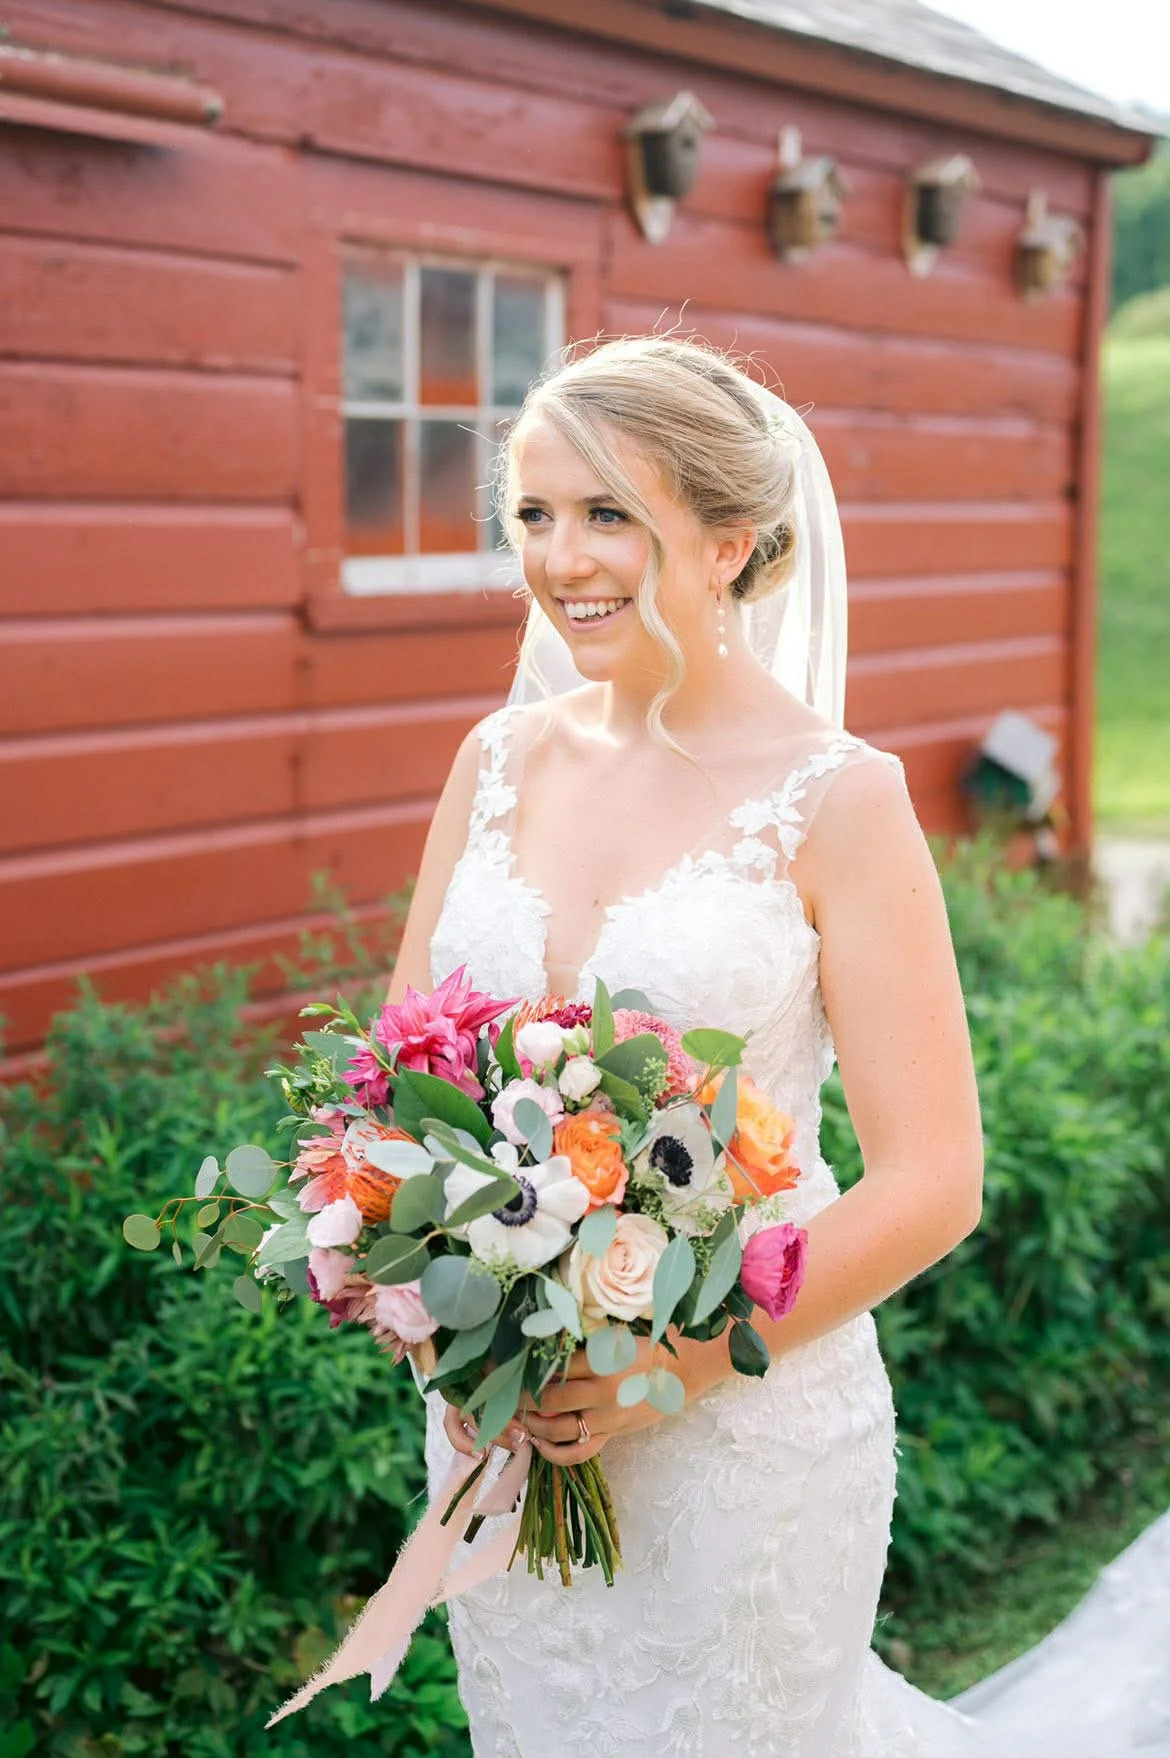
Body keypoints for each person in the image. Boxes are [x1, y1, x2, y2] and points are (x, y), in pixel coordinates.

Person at [385, 336, 1167, 1756]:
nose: (563, 558)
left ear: (731, 540)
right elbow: (404, 1078)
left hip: (738, 1429)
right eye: (535, 515)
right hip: (501, 1426)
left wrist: (667, 1366)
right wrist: (425, 1273)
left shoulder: (838, 800)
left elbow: (931, 1181)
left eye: (609, 512)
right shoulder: (492, 763)